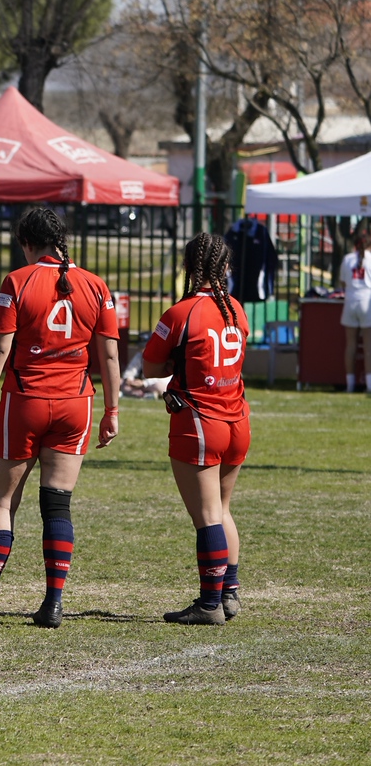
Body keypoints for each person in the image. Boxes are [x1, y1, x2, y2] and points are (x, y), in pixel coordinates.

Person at [0, 206, 122, 628]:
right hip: (76, 403)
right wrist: (112, 409)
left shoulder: (18, 280)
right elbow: (108, 353)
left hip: (27, 400)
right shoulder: (95, 284)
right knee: (57, 504)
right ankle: (53, 603)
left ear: (27, 243)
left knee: (2, 501)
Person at [140, 233, 250, 625]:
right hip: (237, 419)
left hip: (201, 421)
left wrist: (177, 361)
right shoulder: (237, 308)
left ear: (188, 268)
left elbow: (151, 367)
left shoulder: (181, 312)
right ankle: (229, 593)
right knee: (222, 509)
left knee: (207, 516)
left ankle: (209, 604)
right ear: (226, 269)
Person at [340, 223, 370, 393]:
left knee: (350, 346)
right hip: (367, 303)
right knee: (368, 347)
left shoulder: (347, 259)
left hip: (350, 302)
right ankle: (369, 384)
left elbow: (343, 282)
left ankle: (350, 384)